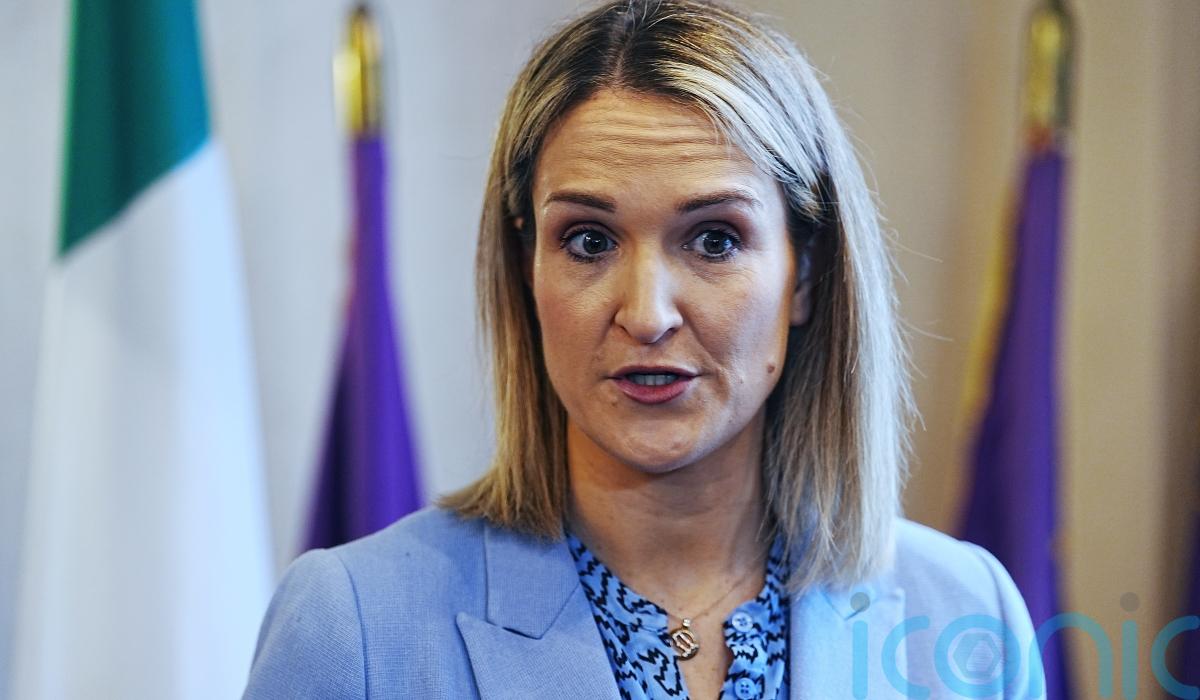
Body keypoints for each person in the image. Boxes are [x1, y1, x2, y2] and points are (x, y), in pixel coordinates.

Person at [244, 1, 1043, 698]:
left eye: (714, 239)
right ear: (525, 270)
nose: (647, 314)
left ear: (805, 274)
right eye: (589, 241)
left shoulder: (968, 613)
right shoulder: (354, 625)